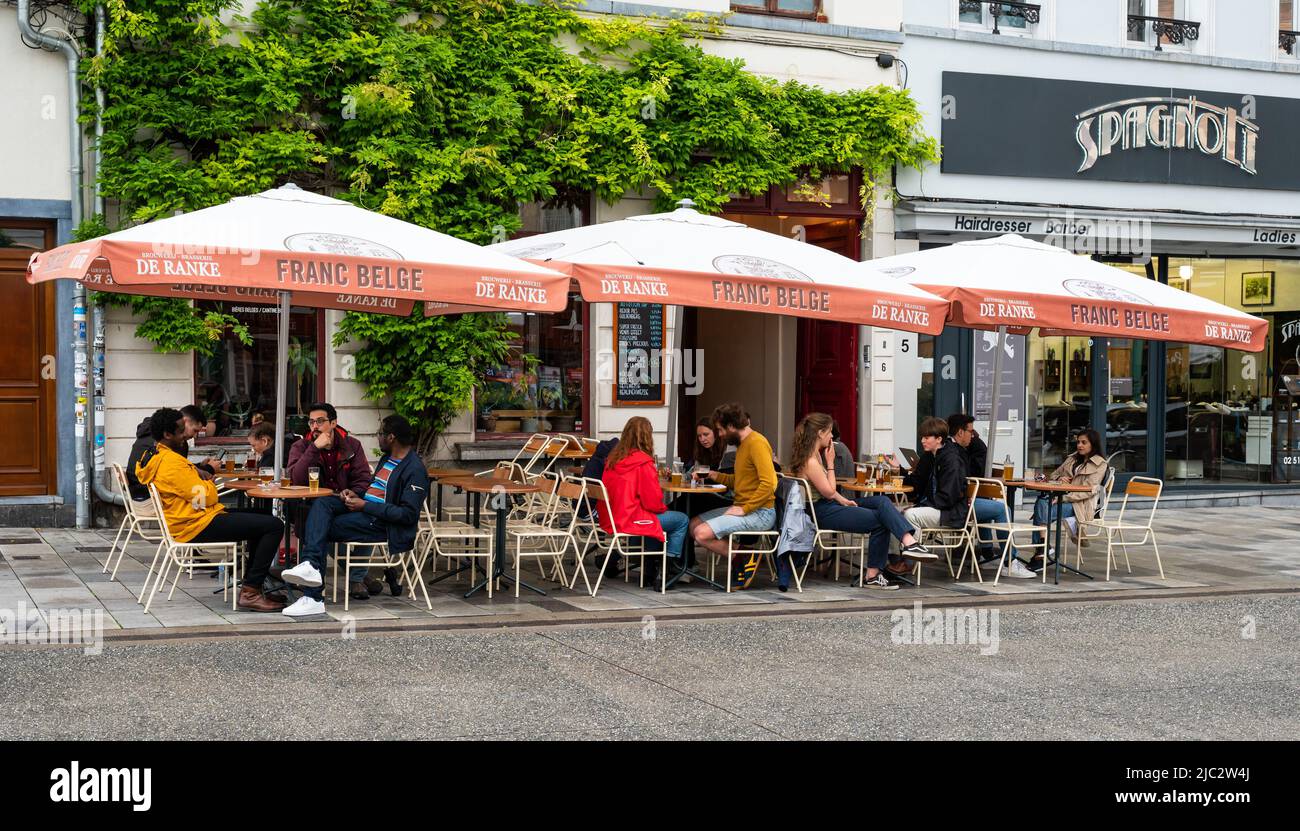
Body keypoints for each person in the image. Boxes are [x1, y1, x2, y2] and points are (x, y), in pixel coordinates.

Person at [134, 408, 285, 612]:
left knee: (264, 518)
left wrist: (197, 474)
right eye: (180, 431)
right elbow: (205, 497)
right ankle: (250, 591)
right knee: (274, 526)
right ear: (167, 435)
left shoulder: (162, 456)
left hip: (194, 518)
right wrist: (207, 483)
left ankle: (255, 584)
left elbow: (193, 490)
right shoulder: (171, 463)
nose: (185, 435)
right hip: (195, 524)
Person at [281, 415, 429, 615]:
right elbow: (377, 491)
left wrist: (364, 505)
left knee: (316, 527)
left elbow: (407, 515)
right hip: (365, 510)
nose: (378, 437)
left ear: (391, 437)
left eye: (380, 433)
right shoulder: (388, 459)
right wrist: (355, 494)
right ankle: (310, 568)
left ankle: (313, 595)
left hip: (381, 523)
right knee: (323, 503)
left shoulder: (415, 469)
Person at [791, 413, 934, 591]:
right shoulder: (812, 461)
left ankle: (909, 542)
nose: (831, 436)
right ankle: (873, 576)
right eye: (829, 432)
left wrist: (843, 499)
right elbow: (829, 491)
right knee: (881, 521)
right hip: (821, 511)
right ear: (820, 433)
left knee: (881, 501)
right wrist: (830, 464)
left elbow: (831, 493)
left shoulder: (814, 456)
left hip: (828, 505)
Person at [286, 403, 376, 593]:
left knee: (371, 518)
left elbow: (363, 479)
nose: (315, 426)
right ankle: (319, 580)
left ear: (333, 423)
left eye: (320, 421)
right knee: (321, 518)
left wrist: (354, 492)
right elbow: (296, 479)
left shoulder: (352, 445)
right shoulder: (301, 446)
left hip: (345, 502)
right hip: (312, 506)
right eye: (311, 422)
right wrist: (314, 449)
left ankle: (356, 577)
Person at [689, 403, 777, 586]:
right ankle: (741, 555)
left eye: (720, 430)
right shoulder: (743, 444)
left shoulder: (757, 443)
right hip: (745, 508)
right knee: (693, 524)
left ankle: (744, 556)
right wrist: (714, 475)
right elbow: (740, 480)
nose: (720, 435)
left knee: (701, 533)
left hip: (760, 513)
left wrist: (744, 509)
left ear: (730, 426)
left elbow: (770, 483)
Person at [597, 417, 689, 588]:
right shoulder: (643, 462)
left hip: (612, 517)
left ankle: (649, 571)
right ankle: (666, 569)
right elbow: (653, 502)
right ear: (648, 437)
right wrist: (663, 508)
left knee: (654, 518)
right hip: (631, 519)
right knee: (681, 519)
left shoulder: (613, 460)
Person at [947, 412, 1025, 574]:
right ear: (961, 432)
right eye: (971, 432)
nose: (973, 435)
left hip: (952, 503)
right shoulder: (956, 453)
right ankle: (1010, 561)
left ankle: (987, 554)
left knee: (988, 505)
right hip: (959, 506)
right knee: (1003, 509)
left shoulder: (950, 448)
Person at [1031, 429, 1109, 567]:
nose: (1080, 445)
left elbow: (1089, 491)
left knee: (1041, 508)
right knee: (1042, 502)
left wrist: (1065, 498)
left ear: (1093, 444)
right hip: (1061, 498)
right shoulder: (1072, 459)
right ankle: (1042, 550)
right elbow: (1054, 475)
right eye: (1078, 442)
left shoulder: (1100, 464)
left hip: (1081, 505)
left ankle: (1041, 551)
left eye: (1084, 442)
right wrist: (1061, 478)